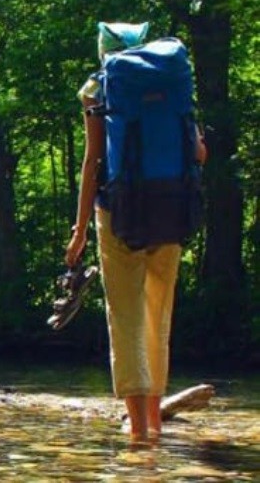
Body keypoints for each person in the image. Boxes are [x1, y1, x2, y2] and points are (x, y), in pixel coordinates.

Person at [65, 22, 206, 445]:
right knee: (157, 317)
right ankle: (156, 426)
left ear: (103, 50)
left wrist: (79, 231)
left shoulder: (96, 89)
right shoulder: (173, 78)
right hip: (172, 208)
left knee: (124, 316)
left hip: (118, 213)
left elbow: (92, 162)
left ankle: (139, 433)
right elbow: (198, 151)